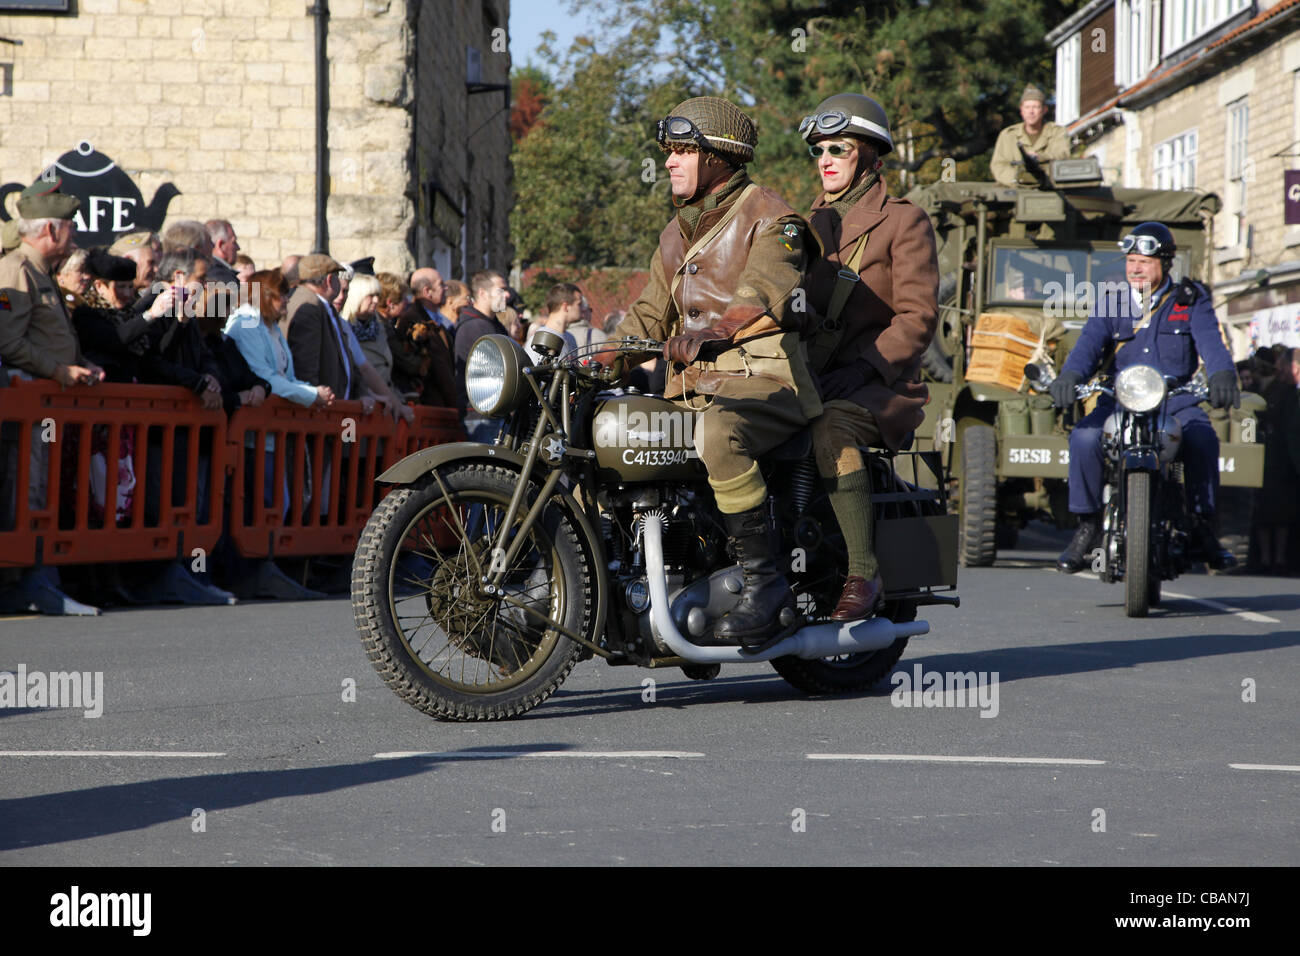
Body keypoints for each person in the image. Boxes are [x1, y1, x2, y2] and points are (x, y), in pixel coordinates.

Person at [603, 96, 820, 647]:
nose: (670, 162)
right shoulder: (675, 234)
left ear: (720, 157)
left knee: (720, 434)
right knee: (605, 432)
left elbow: (766, 287)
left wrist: (715, 330)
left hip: (765, 382)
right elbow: (649, 315)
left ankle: (764, 584)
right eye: (669, 151)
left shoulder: (773, 218)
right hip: (691, 391)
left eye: (683, 150)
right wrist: (596, 361)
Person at [799, 92, 940, 621]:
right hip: (814, 377)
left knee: (830, 428)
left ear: (869, 154)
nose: (825, 159)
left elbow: (917, 316)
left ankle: (864, 572)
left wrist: (863, 369)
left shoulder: (904, 221)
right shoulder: (807, 224)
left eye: (838, 147)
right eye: (818, 151)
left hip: (881, 387)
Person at [1051, 221, 1240, 572]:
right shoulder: (1113, 300)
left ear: (1165, 263)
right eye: (1131, 261)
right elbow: (1087, 348)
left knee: (1202, 439)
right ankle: (1088, 525)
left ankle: (1202, 526)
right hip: (1120, 400)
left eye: (1144, 261)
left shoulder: (1190, 300)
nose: (1135, 268)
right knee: (1085, 437)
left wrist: (1223, 375)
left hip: (1176, 401)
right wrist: (1070, 377)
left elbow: (1212, 345)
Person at [454, 270, 511, 440]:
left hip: (492, 412)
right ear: (482, 293)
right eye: (501, 290)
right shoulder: (475, 327)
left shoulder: (492, 325)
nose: (506, 295)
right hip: (481, 415)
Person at [990, 84, 1072, 188]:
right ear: (1021, 110)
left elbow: (1063, 156)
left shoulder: (1057, 132)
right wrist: (1019, 178)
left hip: (1050, 188)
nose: (1031, 112)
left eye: (1036, 107)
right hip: (1016, 191)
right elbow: (998, 165)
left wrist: (1040, 157)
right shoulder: (1008, 135)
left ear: (1044, 110)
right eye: (1027, 107)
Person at [524, 282, 583, 363]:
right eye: (579, 304)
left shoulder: (570, 338)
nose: (582, 308)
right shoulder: (539, 339)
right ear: (565, 307)